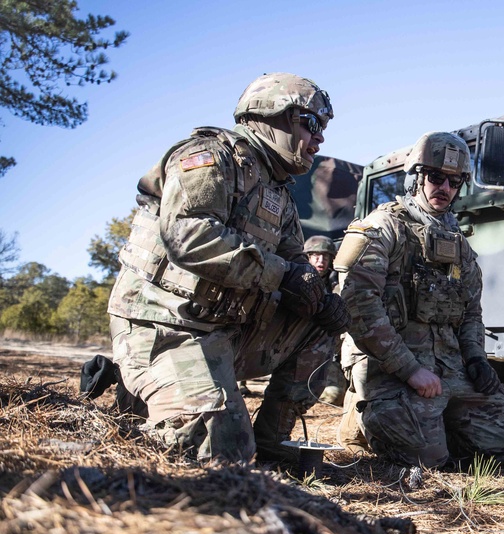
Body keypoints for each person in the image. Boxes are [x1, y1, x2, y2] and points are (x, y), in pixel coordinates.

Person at [107, 72, 350, 463]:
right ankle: (137, 382)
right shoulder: (209, 157)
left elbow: (295, 262)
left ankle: (273, 442)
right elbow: (189, 236)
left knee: (320, 324)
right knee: (221, 451)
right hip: (166, 327)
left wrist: (320, 299)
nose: (319, 138)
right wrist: (282, 275)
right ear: (277, 116)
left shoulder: (279, 193)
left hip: (224, 331)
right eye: (313, 124)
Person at [336, 131, 504, 474]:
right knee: (428, 460)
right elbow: (359, 304)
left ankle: (436, 421)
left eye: (454, 181)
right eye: (436, 177)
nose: (445, 188)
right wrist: (409, 370)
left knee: (502, 451)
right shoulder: (384, 226)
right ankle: (361, 414)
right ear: (416, 177)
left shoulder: (458, 243)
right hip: (391, 366)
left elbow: (471, 313)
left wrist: (477, 360)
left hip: (448, 369)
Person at [303, 235, 349, 406]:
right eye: (315, 255)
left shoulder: (337, 286)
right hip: (295, 350)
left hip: (325, 354)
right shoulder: (295, 280)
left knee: (334, 395)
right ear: (307, 257)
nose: (320, 260)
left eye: (326, 256)